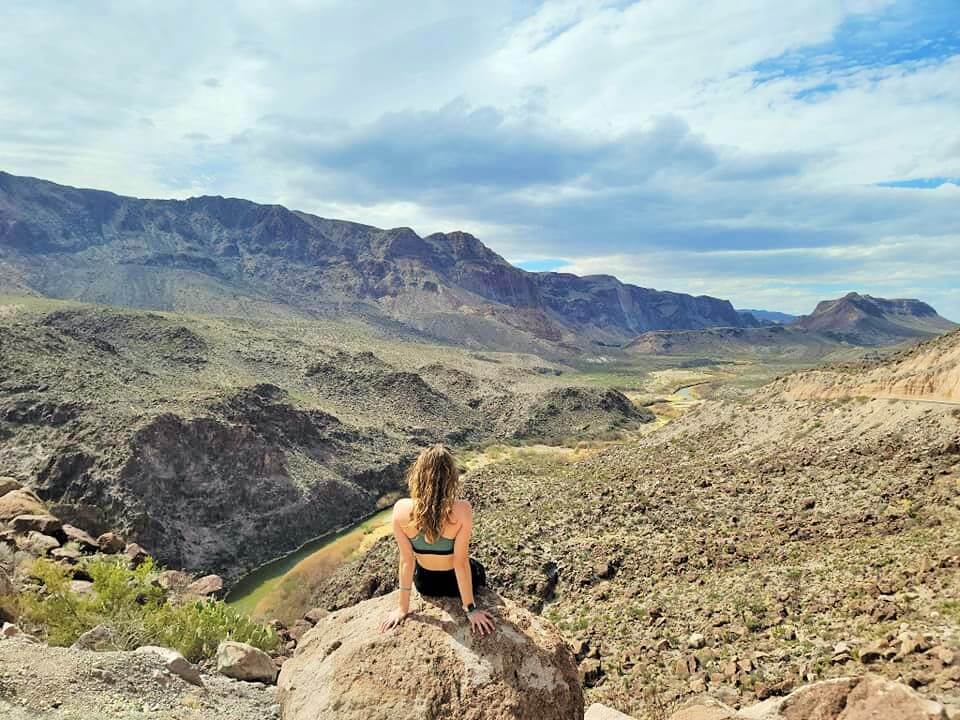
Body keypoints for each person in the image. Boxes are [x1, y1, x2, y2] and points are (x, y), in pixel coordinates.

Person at [379, 444, 496, 636]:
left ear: (418, 475)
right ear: (451, 478)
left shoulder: (400, 509)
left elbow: (407, 561)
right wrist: (471, 609)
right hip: (453, 585)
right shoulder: (463, 510)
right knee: (476, 566)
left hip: (426, 584)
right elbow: (460, 564)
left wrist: (402, 608)